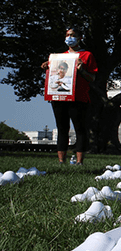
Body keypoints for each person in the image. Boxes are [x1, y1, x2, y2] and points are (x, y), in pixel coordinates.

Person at [42, 27, 98, 166]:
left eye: (72, 35)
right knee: (62, 128)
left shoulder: (87, 55)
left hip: (79, 97)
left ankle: (79, 161)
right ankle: (61, 161)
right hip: (59, 97)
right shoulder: (59, 57)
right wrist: (47, 67)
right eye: (67, 35)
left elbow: (92, 78)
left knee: (80, 128)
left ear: (80, 38)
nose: (69, 38)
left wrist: (82, 70)